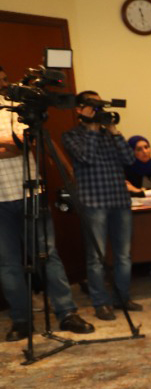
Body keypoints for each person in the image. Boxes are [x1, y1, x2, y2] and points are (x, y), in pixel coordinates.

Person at [0, 66, 93, 340]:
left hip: (31, 193)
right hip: (0, 202)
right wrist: (10, 144)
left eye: (4, 79)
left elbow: (24, 142)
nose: (4, 85)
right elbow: (14, 144)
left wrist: (13, 144)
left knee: (47, 255)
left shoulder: (18, 105)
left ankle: (67, 313)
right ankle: (21, 321)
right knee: (7, 264)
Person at [62, 90, 139, 321]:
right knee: (96, 257)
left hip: (120, 200)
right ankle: (100, 303)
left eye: (99, 105)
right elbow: (86, 157)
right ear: (79, 110)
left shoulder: (109, 134)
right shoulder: (71, 135)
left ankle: (122, 298)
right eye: (92, 106)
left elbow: (130, 160)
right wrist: (93, 129)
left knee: (124, 255)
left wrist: (114, 131)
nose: (97, 110)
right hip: (93, 203)